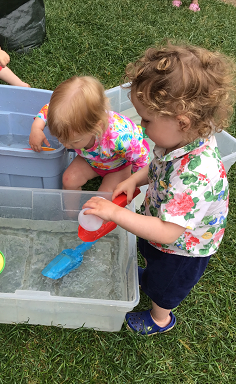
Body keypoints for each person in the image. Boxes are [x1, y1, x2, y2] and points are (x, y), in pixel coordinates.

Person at [82, 43, 235, 335]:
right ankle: (150, 276)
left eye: (147, 120)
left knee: (167, 284)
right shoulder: (176, 141)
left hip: (184, 247)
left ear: (182, 121)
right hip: (163, 222)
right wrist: (134, 180)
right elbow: (158, 168)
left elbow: (167, 232)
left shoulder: (197, 175)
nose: (140, 126)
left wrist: (115, 213)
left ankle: (160, 319)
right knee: (152, 258)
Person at [29, 76, 150, 193]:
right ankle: (69, 214)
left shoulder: (119, 137)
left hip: (120, 166)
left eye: (74, 141)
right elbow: (48, 109)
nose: (66, 145)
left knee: (105, 196)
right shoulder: (64, 118)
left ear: (96, 127)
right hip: (92, 161)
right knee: (68, 180)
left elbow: (142, 157)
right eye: (60, 138)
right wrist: (36, 128)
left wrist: (133, 181)